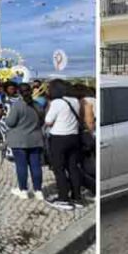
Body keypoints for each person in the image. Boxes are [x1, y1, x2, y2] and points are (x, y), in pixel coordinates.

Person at [44, 79, 85, 211]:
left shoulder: (57, 102)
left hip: (59, 138)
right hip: (73, 137)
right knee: (73, 167)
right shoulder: (75, 101)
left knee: (59, 169)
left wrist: (50, 106)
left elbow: (48, 121)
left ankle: (63, 198)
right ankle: (77, 197)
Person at [4, 83, 45, 200]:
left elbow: (10, 122)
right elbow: (42, 121)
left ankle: (23, 190)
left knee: (21, 166)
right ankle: (38, 190)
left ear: (19, 92)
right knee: (36, 165)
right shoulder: (38, 105)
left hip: (20, 140)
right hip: (35, 139)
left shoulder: (17, 105)